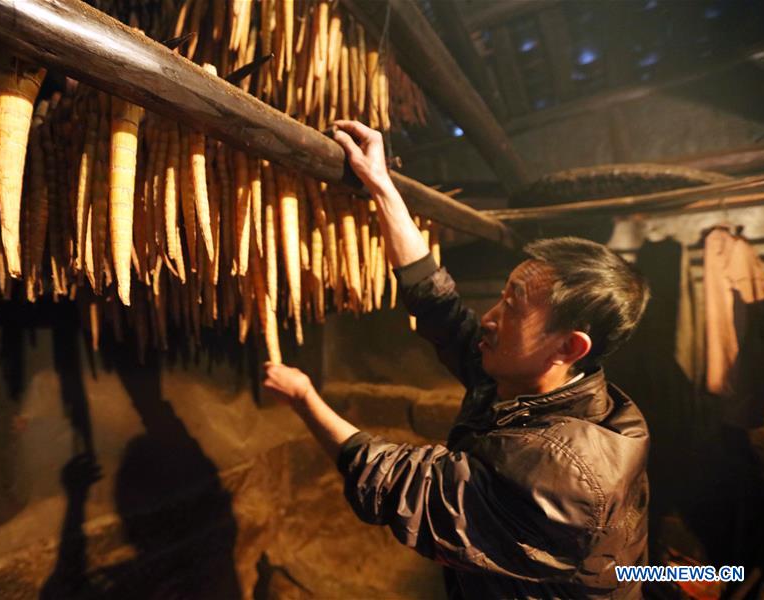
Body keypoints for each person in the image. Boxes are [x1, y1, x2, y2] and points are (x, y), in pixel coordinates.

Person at [263, 120, 652, 599]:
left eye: (511, 308)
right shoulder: (535, 384)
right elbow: (441, 309)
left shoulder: (568, 471)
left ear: (568, 348)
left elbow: (401, 486)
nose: (488, 319)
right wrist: (382, 187)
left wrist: (304, 397)